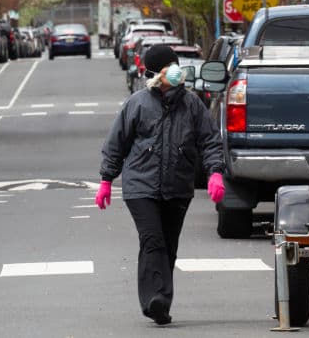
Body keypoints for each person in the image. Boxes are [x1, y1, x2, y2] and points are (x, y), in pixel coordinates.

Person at [95, 44, 226, 326]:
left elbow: (210, 140)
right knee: (152, 239)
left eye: (176, 64)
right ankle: (155, 298)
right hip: (140, 186)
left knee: (168, 243)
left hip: (177, 186)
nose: (176, 70)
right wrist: (107, 179)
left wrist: (215, 172)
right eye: (170, 66)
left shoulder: (192, 104)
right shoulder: (137, 103)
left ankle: (161, 304)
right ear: (156, 73)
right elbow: (116, 144)